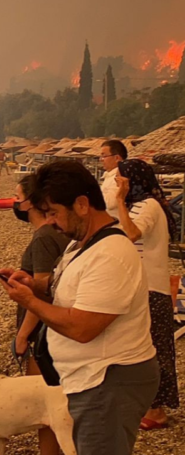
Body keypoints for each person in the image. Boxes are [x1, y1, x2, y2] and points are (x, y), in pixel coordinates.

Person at [0, 161, 158, 455]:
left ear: (82, 205)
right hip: (90, 379)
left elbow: (83, 327)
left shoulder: (111, 254)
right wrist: (34, 286)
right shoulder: (81, 244)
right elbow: (72, 292)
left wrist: (30, 302)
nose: (50, 222)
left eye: (54, 213)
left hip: (108, 381)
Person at [114, 159, 179, 430]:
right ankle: (148, 405)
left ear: (132, 180)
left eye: (120, 179)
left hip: (152, 288)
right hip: (144, 286)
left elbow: (131, 233)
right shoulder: (142, 205)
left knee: (155, 348)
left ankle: (157, 410)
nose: (116, 183)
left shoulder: (148, 206)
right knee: (143, 346)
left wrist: (119, 201)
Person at [11, 175, 71, 455]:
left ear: (30, 203)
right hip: (53, 329)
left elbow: (42, 290)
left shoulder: (43, 238)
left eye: (18, 197)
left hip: (42, 334)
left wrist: (22, 335)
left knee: (45, 406)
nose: (14, 203)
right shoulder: (53, 234)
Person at [99, 139, 128, 216]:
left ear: (116, 158)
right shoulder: (109, 175)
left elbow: (110, 203)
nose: (101, 159)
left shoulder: (119, 176)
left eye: (104, 156)